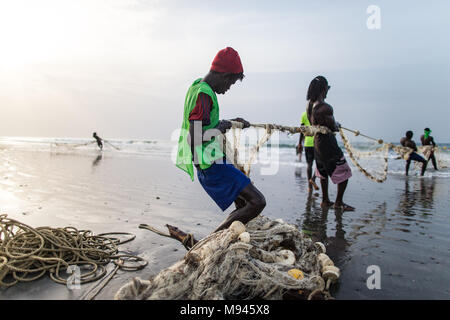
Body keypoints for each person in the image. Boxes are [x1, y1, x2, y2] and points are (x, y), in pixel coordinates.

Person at [174, 47, 266, 248]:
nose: (229, 88)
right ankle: (206, 246)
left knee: (242, 204)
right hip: (210, 161)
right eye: (231, 82)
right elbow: (195, 137)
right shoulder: (204, 94)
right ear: (224, 75)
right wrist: (220, 127)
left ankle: (227, 242)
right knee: (257, 202)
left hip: (211, 159)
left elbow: (205, 124)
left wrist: (230, 122)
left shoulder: (197, 86)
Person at [308, 76, 354, 212]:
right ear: (323, 88)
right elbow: (333, 127)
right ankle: (339, 202)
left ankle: (325, 200)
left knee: (322, 172)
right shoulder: (325, 107)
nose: (327, 91)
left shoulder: (310, 105)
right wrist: (337, 125)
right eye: (327, 88)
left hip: (317, 144)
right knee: (344, 172)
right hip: (328, 144)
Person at [297, 109, 319, 192]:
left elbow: (301, 130)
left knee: (309, 165)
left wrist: (300, 143)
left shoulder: (304, 115)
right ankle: (313, 179)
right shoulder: (318, 114)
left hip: (307, 143)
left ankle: (309, 187)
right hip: (317, 143)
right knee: (320, 164)